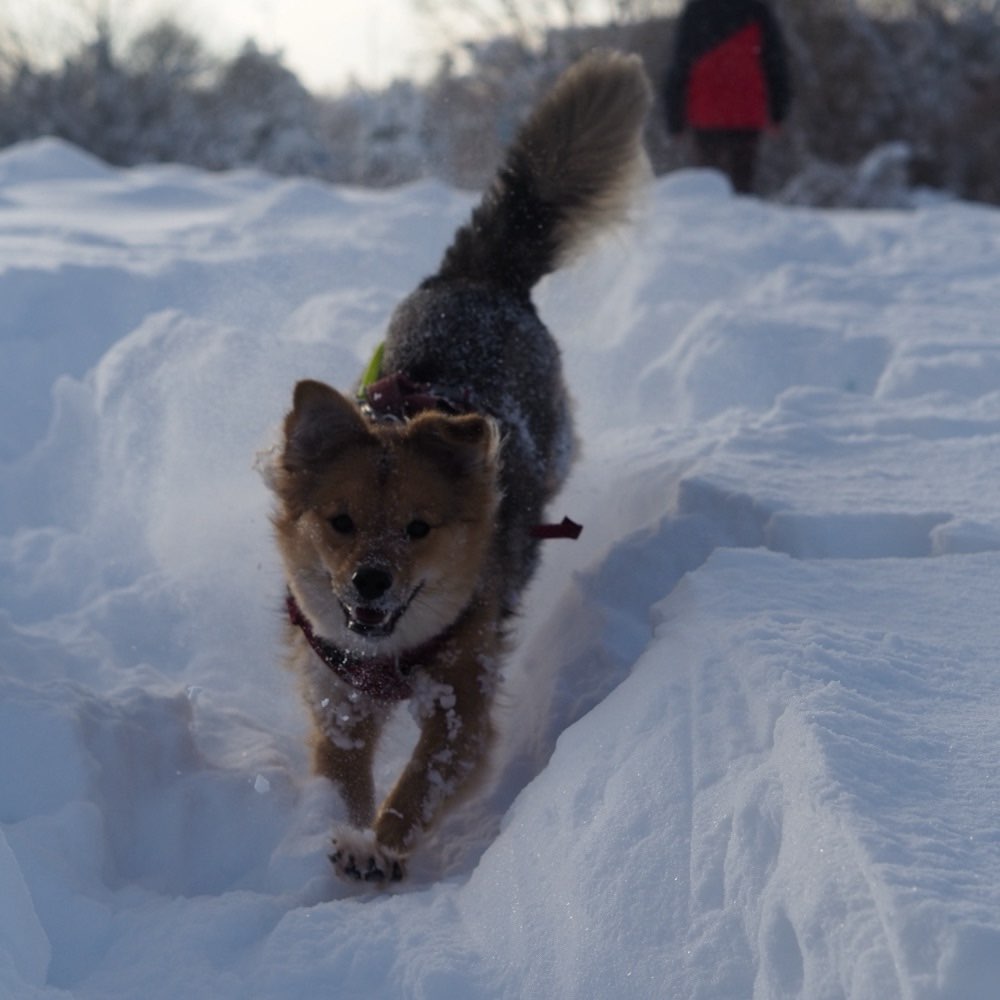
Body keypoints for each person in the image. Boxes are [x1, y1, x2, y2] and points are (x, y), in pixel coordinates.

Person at [664, 0, 792, 194]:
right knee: (742, 184)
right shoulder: (757, 8)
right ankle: (742, 219)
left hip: (706, 112)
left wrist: (675, 120)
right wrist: (778, 113)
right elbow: (775, 63)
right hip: (746, 111)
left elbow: (679, 66)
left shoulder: (697, 9)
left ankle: (712, 220)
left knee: (708, 185)